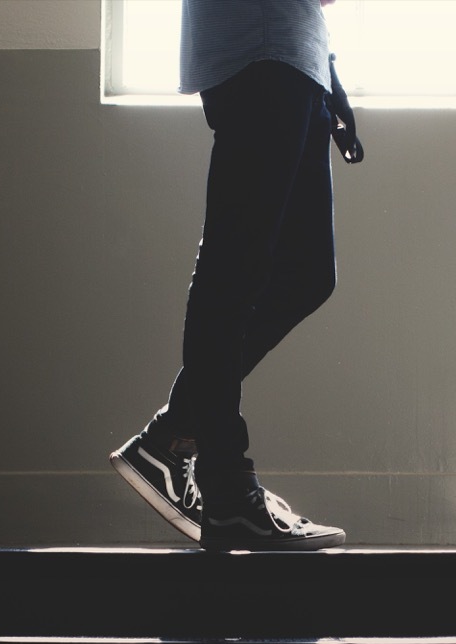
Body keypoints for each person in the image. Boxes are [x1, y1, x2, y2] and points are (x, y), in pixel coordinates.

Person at [110, 0, 363, 552]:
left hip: (294, 53)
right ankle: (226, 488)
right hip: (262, 49)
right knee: (234, 268)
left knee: (306, 273)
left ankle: (172, 436)